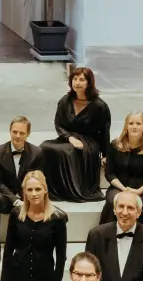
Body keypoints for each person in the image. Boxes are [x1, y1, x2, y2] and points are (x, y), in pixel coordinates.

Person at [0, 170, 68, 281]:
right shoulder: (16, 214)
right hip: (17, 279)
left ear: (45, 190)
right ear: (24, 192)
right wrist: (4, 280)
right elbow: (8, 249)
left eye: (38, 189)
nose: (34, 193)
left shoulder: (58, 219)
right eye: (30, 190)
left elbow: (61, 257)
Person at [41, 66, 110, 203]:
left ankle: (72, 190)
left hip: (88, 141)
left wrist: (105, 154)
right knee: (44, 147)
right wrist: (69, 138)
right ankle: (56, 189)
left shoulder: (99, 105)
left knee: (68, 151)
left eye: (82, 80)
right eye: (75, 79)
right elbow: (58, 124)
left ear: (89, 83)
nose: (77, 82)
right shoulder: (65, 101)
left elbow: (104, 131)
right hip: (67, 137)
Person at [0, 117, 43, 264]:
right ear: (9, 131)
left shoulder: (37, 152)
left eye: (21, 133)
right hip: (6, 196)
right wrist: (14, 199)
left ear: (28, 134)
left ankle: (28, 244)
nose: (17, 136)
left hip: (27, 195)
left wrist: (25, 197)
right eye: (14, 132)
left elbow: (37, 179)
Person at [101, 111, 143, 224]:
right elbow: (109, 173)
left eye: (138, 123)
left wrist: (138, 192)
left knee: (138, 207)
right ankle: (106, 238)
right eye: (131, 123)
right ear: (126, 126)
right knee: (113, 203)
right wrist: (124, 190)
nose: (134, 127)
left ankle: (135, 238)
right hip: (118, 188)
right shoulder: (115, 145)